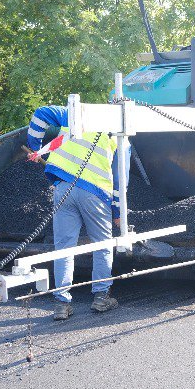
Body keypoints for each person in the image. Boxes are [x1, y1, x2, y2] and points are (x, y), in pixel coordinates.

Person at [27, 105, 128, 320]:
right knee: (102, 245)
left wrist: (35, 147)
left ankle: (61, 304)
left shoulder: (76, 114)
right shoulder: (121, 134)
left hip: (64, 188)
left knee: (64, 248)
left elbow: (42, 113)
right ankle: (101, 297)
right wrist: (118, 212)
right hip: (95, 194)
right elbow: (120, 181)